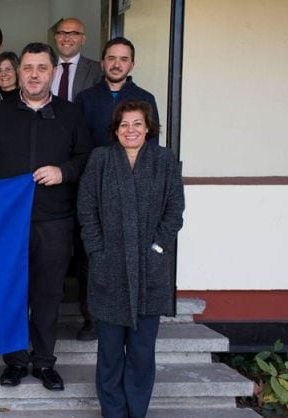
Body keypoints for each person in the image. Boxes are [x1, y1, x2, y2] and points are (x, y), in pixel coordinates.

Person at [0, 42, 93, 391]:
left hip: (55, 221)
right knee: (12, 293)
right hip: (9, 224)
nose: (33, 74)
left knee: (47, 294)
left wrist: (64, 172)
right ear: (18, 72)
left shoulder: (71, 114)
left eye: (41, 68)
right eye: (28, 68)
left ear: (54, 72)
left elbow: (87, 158)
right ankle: (14, 361)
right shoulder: (0, 113)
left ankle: (43, 362)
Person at [77, 99, 184, 418]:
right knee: (109, 353)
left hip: (150, 271)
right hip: (110, 270)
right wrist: (97, 251)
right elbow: (86, 209)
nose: (131, 130)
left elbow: (174, 211)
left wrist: (158, 248)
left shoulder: (164, 160)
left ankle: (136, 412)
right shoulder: (101, 159)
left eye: (137, 123)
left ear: (149, 127)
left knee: (141, 353)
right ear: (115, 129)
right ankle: (113, 412)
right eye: (124, 124)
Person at [76, 37, 160, 148]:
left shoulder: (146, 98)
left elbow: (152, 144)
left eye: (124, 59)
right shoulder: (84, 98)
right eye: (111, 58)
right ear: (102, 63)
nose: (116, 65)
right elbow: (77, 144)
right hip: (94, 164)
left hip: (134, 165)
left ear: (132, 65)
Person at [52, 18, 102, 102]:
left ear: (83, 40)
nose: (66, 39)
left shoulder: (97, 70)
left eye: (74, 34)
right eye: (61, 33)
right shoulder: (44, 67)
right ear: (55, 38)